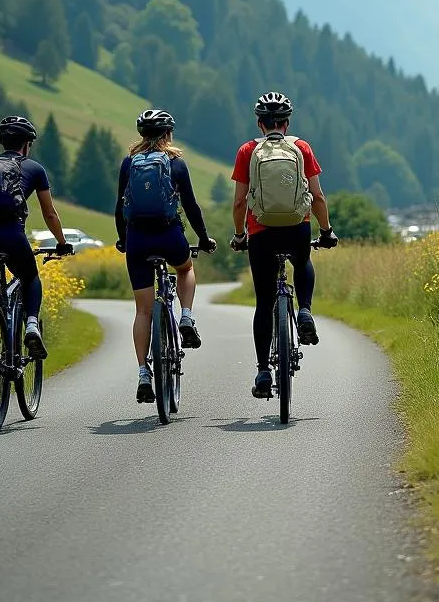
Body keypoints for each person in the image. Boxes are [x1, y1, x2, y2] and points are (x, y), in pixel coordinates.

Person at [230, 91, 338, 399]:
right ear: (286, 122)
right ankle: (304, 310)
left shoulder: (247, 151)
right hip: (296, 228)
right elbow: (317, 197)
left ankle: (264, 371)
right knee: (302, 262)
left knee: (264, 302)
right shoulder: (301, 148)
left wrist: (240, 236)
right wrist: (327, 230)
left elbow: (239, 202)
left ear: (259, 123)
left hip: (261, 233)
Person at [115, 109, 216, 404]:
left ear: (142, 135)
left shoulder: (128, 163)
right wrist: (203, 238)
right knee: (185, 269)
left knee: (143, 311)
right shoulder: (176, 163)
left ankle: (144, 373)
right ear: (168, 134)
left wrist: (124, 240)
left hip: (137, 241)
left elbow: (119, 208)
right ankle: (186, 316)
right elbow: (192, 206)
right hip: (169, 236)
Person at [0, 115, 73, 363]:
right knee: (30, 276)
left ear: (2, 142)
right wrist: (62, 243)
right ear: (27, 144)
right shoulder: (34, 169)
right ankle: (32, 324)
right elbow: (49, 213)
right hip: (9, 234)